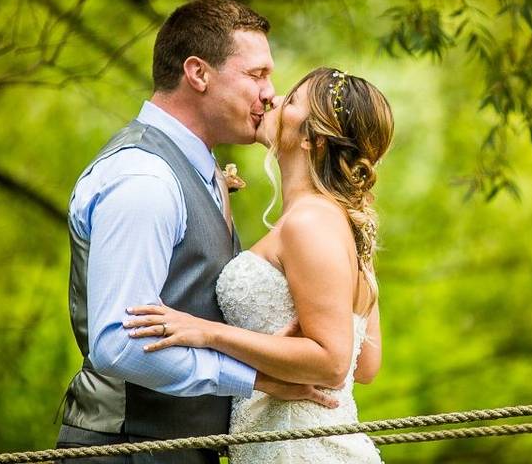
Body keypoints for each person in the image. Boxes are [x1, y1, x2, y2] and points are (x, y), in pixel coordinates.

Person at [56, 0, 335, 464]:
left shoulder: (198, 166)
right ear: (198, 73)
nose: (271, 93)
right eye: (256, 75)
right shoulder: (144, 180)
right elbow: (118, 346)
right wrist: (254, 377)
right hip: (123, 451)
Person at [124, 67, 393, 463]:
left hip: (297, 448)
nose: (275, 99)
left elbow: (336, 364)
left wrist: (207, 333)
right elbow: (364, 365)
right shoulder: (335, 221)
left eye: (293, 100)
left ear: (313, 140)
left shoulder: (309, 223)